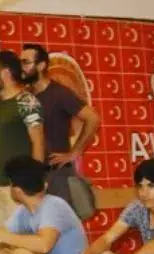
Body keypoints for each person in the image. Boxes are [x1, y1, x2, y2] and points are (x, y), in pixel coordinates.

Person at [20, 44, 100, 210]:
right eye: (20, 62)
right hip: (35, 174)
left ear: (41, 66)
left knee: (59, 222)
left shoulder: (59, 93)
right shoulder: (27, 97)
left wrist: (75, 152)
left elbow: (93, 118)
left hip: (56, 174)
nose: (22, 67)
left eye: (26, 62)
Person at [0, 50, 44, 228]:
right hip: (2, 187)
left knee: (21, 241)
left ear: (5, 73)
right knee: (0, 241)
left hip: (21, 189)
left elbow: (38, 142)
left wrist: (34, 185)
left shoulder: (26, 101)